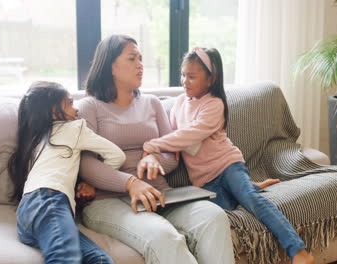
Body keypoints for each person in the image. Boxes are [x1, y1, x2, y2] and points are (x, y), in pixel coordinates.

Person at [142, 47, 315, 264]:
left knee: (252, 201)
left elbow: (189, 135)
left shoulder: (214, 104)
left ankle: (298, 251)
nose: (185, 81)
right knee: (221, 210)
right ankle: (249, 186)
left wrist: (152, 146)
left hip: (228, 165)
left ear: (210, 79)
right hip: (204, 180)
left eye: (192, 76)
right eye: (183, 75)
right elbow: (175, 139)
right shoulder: (178, 104)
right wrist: (160, 155)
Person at [76, 35, 234, 264]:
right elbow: (86, 164)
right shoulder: (89, 107)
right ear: (110, 66)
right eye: (132, 59)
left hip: (161, 194)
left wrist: (153, 158)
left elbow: (173, 154)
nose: (140, 65)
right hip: (108, 201)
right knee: (163, 236)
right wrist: (131, 183)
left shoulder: (152, 103)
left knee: (213, 216)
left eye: (141, 58)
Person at [7, 81, 125, 264]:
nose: (76, 109)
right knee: (65, 259)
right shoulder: (74, 129)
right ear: (54, 111)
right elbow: (116, 155)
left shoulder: (35, 137)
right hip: (49, 202)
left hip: (27, 219)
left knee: (100, 259)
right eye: (70, 103)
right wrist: (93, 183)